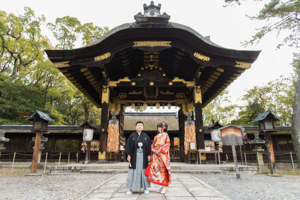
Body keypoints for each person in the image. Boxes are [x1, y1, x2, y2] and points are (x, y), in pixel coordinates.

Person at [125, 121, 151, 194]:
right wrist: (128, 155)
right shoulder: (132, 136)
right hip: (134, 156)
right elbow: (128, 146)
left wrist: (149, 155)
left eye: (141, 125)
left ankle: (145, 188)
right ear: (136, 127)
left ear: (143, 127)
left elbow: (149, 146)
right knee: (133, 172)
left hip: (143, 156)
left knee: (144, 171)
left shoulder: (146, 136)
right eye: (138, 125)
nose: (139, 126)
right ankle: (131, 188)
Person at [146, 122, 171, 194]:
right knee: (156, 170)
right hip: (156, 156)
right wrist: (153, 149)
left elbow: (167, 145)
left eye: (161, 127)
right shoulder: (156, 136)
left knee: (163, 170)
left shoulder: (166, 135)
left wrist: (159, 150)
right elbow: (153, 144)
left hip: (163, 156)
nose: (159, 129)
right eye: (158, 127)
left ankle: (164, 187)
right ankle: (160, 187)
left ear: (164, 128)